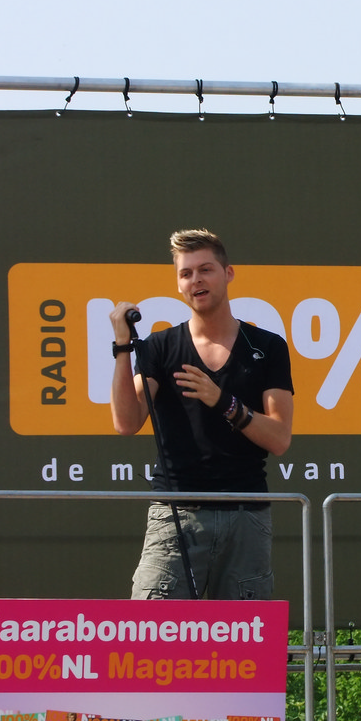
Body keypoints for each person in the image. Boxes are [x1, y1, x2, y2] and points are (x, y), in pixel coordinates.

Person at [110, 228, 294, 600]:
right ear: (178, 284)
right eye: (186, 273)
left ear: (228, 273)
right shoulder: (160, 347)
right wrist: (123, 347)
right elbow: (126, 422)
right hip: (175, 513)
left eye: (205, 269)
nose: (196, 280)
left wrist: (223, 401)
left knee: (245, 634)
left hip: (245, 513)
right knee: (153, 630)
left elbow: (279, 439)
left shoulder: (267, 346)